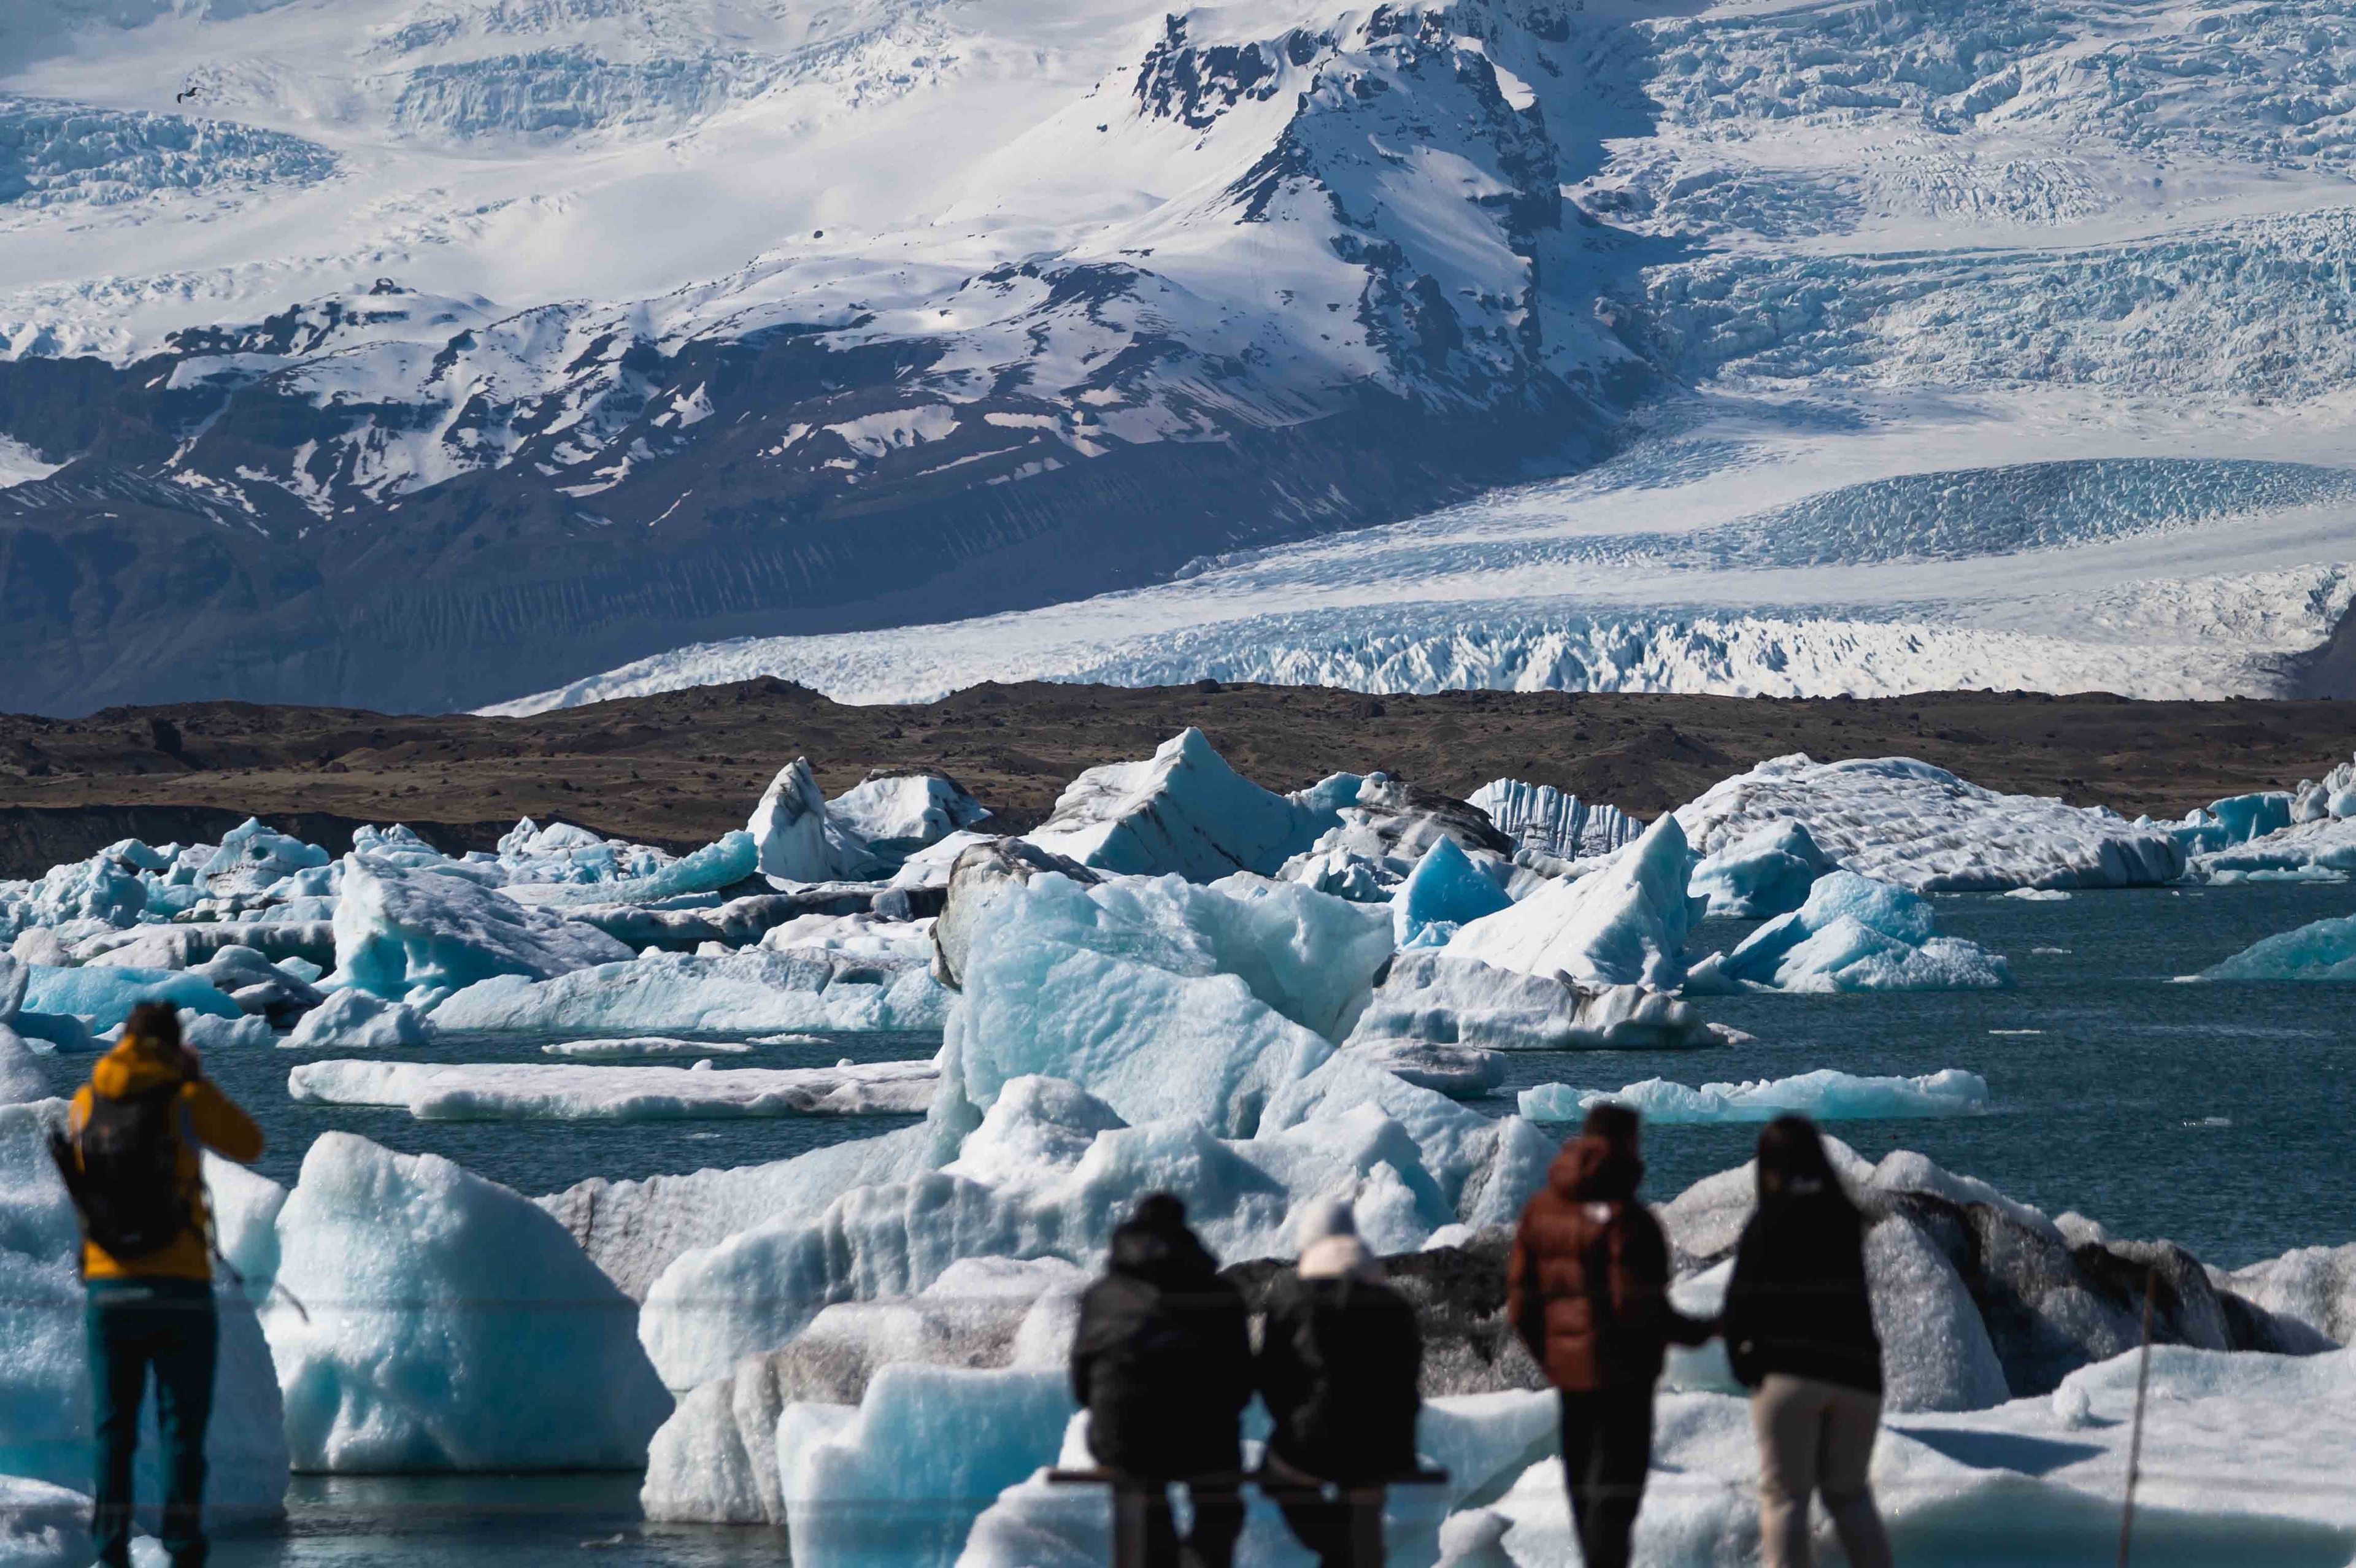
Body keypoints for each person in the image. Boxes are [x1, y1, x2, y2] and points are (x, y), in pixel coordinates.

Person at [52, 1002, 264, 1568]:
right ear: (174, 1045)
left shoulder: (86, 1102)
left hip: (109, 1290)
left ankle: (110, 1549)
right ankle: (182, 1546)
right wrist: (194, 1080)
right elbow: (250, 1143)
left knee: (113, 1429)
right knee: (181, 1428)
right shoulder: (185, 1099)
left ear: (123, 1041)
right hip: (180, 1289)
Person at [1506, 1103, 1710, 1568]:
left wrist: (1555, 1357)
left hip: (1572, 1380)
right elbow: (1640, 1307)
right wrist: (1700, 1332)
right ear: (1626, 1145)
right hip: (1626, 1383)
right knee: (1615, 1504)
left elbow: (1521, 1303)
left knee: (1584, 1495)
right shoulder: (1630, 1220)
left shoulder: (1541, 1212)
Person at [1720, 1116, 1893, 1568]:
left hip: (1790, 1374)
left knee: (1786, 1499)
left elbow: (1738, 1305)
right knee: (1850, 1496)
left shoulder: (1770, 1218)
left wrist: (1745, 1365)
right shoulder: (1844, 1218)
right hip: (1858, 1377)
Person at [1070, 1192, 1252, 1568]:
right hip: (1205, 1436)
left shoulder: (1100, 1297)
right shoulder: (1220, 1294)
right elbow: (1241, 1382)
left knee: (1135, 1484)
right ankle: (1202, 1556)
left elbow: (1082, 1384)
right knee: (1219, 1506)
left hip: (1123, 1436)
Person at [1255, 1197, 1423, 1568]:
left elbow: (1271, 1380)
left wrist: (1295, 1419)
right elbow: (1408, 1379)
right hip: (1383, 1448)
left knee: (1276, 1473)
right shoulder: (1393, 1303)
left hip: (1308, 1446)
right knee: (1364, 1508)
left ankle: (1339, 1549)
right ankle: (1354, 1552)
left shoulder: (1288, 1301)